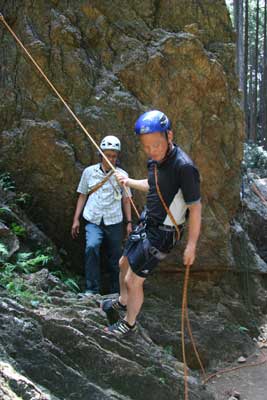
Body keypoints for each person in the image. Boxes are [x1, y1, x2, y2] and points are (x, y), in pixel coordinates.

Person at [102, 110, 201, 336]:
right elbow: (153, 185)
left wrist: (192, 245)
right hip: (148, 221)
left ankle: (129, 324)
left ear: (169, 136)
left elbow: (195, 207)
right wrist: (128, 181)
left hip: (164, 232)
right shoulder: (155, 161)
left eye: (156, 145)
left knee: (133, 280)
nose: (151, 151)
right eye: (146, 147)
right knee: (123, 262)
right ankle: (122, 302)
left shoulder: (184, 167)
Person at [71, 135, 132, 296]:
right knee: (91, 247)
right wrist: (76, 219)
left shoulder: (122, 175)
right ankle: (92, 289)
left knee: (116, 257)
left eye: (114, 155)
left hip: (114, 221)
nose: (110, 158)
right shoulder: (89, 172)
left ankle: (115, 291)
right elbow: (82, 195)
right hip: (93, 219)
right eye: (107, 155)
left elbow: (127, 200)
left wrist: (129, 222)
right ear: (101, 154)